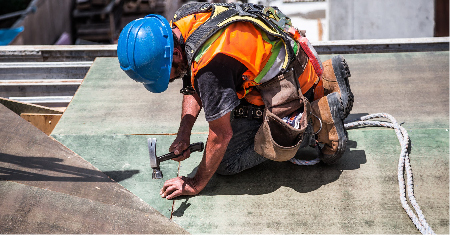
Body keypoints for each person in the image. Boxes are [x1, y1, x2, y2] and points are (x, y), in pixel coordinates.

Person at [117, 2, 354, 200]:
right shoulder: (183, 20)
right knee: (222, 107)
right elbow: (191, 79)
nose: (167, 81)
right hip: (291, 61)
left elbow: (221, 135)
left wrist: (195, 183)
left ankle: (316, 121)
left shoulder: (211, 66)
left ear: (175, 54)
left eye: (164, 75)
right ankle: (328, 79)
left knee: (227, 162)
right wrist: (184, 132)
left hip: (290, 85)